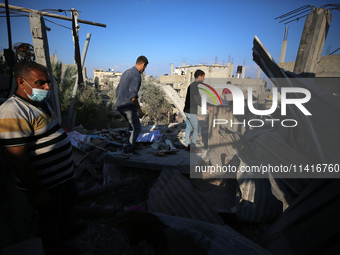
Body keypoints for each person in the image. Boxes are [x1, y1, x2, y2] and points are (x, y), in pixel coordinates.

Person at [0, 61, 79, 255]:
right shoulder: (12, 111)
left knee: (65, 210)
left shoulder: (39, 103)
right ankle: (56, 250)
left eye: (48, 82)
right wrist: (36, 191)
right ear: (21, 82)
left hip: (63, 177)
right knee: (49, 221)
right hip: (46, 184)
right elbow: (17, 157)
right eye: (40, 83)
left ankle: (67, 234)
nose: (47, 87)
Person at [115, 56, 148, 155]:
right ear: (142, 64)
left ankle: (129, 145)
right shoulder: (136, 75)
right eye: (145, 67)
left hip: (119, 104)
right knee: (136, 127)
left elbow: (117, 90)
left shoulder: (126, 72)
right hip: (127, 105)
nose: (144, 70)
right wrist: (139, 110)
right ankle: (129, 149)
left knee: (131, 125)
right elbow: (133, 96)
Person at [183, 69, 205, 153]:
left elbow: (199, 98)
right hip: (190, 111)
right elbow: (197, 101)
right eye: (203, 77)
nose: (203, 79)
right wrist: (206, 107)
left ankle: (188, 145)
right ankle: (192, 147)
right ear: (199, 77)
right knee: (197, 128)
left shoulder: (193, 86)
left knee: (189, 127)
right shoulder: (194, 87)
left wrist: (207, 104)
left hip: (187, 110)